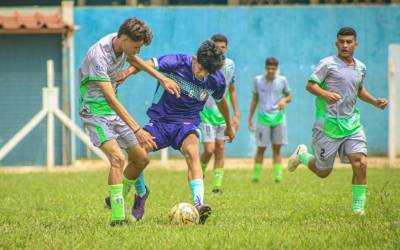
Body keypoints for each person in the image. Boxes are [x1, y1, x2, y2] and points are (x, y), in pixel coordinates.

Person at [79, 18, 180, 226]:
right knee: (117, 159)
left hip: (113, 113)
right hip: (94, 113)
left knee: (141, 159)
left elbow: (136, 61)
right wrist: (137, 129)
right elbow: (111, 98)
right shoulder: (98, 55)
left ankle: (135, 194)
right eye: (136, 46)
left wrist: (162, 79)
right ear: (123, 39)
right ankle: (118, 218)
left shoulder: (123, 47)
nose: (137, 51)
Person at [287, 27, 388, 215]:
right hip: (328, 126)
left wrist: (375, 101)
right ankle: (302, 154)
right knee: (323, 172)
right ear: (336, 44)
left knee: (361, 162)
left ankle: (358, 209)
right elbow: (310, 85)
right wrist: (325, 94)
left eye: (349, 42)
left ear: (355, 44)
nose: (345, 45)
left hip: (352, 124)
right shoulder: (327, 64)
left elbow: (359, 90)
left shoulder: (361, 67)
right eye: (341, 42)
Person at [199, 34, 240, 194]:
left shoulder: (230, 65)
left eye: (223, 47)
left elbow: (232, 88)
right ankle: (199, 172)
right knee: (209, 150)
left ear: (226, 48)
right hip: (206, 113)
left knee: (220, 148)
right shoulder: (205, 64)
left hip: (222, 114)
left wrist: (236, 113)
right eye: (217, 47)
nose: (220, 50)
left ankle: (217, 187)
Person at [248, 57, 291, 183]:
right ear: (265, 68)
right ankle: (256, 177)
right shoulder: (257, 80)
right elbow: (254, 100)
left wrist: (284, 100)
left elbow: (289, 96)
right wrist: (250, 119)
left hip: (279, 119)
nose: (271, 71)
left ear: (277, 69)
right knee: (261, 148)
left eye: (273, 68)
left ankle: (278, 177)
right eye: (268, 68)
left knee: (277, 148)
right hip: (263, 120)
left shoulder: (282, 80)